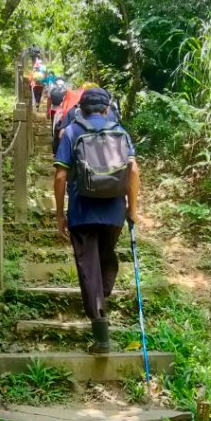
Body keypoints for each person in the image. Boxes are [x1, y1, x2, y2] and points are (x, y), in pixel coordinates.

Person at [53, 87, 139, 353]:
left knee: (88, 267)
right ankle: (102, 296)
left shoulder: (71, 132)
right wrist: (132, 209)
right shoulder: (120, 132)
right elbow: (133, 170)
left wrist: (59, 214)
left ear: (81, 108)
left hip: (82, 211)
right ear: (106, 108)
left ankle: (100, 328)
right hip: (113, 211)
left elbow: (59, 177)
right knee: (105, 258)